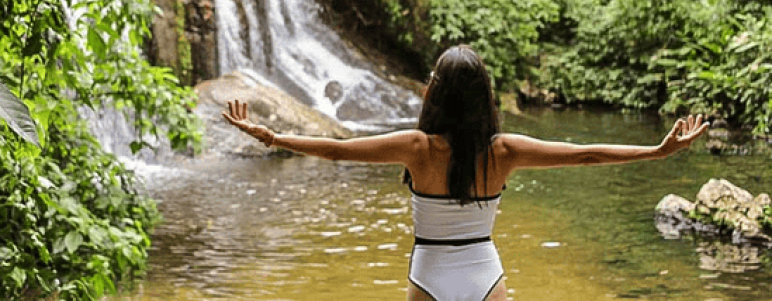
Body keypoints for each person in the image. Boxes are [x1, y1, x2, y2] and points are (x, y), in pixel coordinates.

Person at [222, 44, 709, 301]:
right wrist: (656, 151)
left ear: (434, 93)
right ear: (485, 97)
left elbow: (336, 151)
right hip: (484, 275)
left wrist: (275, 137)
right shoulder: (506, 151)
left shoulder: (415, 147)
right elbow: (586, 155)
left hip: (428, 273)